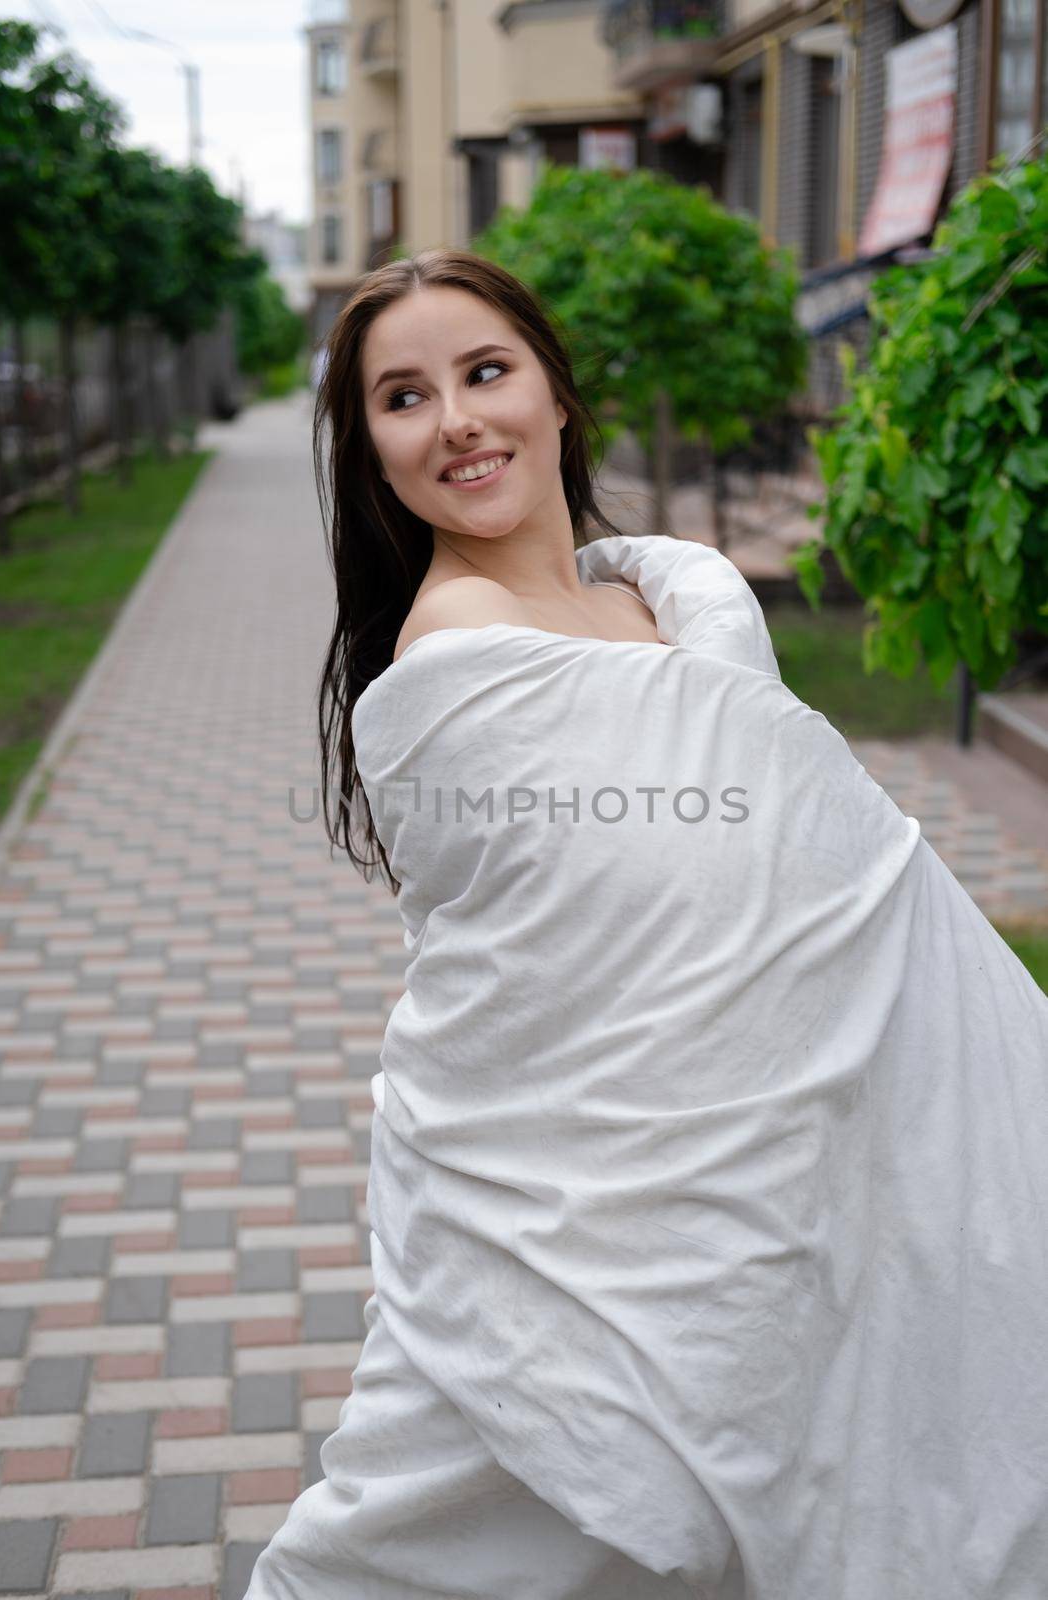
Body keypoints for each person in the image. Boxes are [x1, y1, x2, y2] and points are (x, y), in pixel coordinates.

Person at [245, 248, 1048, 1600]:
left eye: (485, 371)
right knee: (511, 1500)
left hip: (777, 1143)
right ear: (368, 451)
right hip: (587, 1182)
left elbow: (812, 865)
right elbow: (581, 942)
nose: (456, 421)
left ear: (557, 392)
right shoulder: (457, 643)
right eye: (402, 397)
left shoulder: (678, 598)